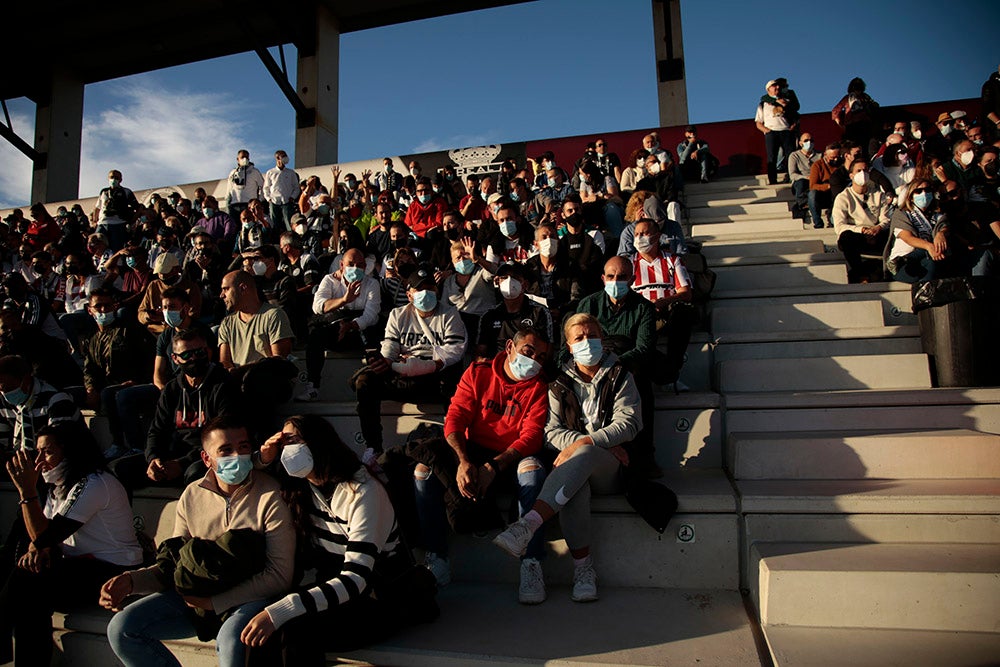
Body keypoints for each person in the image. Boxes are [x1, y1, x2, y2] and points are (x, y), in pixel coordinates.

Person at [101, 416, 295, 667]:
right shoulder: (192, 494)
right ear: (207, 459)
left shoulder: (271, 495)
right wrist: (130, 582)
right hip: (199, 596)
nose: (237, 455)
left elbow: (279, 575)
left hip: (251, 597)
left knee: (231, 639)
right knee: (122, 628)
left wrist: (215, 603)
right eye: (225, 450)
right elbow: (173, 564)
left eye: (244, 447)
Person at [241, 415, 434, 663]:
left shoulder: (364, 491)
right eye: (283, 445)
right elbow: (236, 480)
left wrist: (281, 610)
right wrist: (262, 458)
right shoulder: (302, 487)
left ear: (318, 443)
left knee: (292, 630)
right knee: (266, 632)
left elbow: (356, 579)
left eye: (294, 442)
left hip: (379, 598)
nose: (287, 451)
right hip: (337, 592)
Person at [492, 314, 641, 603]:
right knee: (576, 486)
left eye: (592, 335)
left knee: (583, 455)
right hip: (577, 470)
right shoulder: (558, 382)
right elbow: (550, 432)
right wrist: (587, 445)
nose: (587, 342)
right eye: (579, 338)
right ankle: (583, 569)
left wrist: (589, 443)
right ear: (569, 347)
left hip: (611, 470)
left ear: (602, 338)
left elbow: (630, 423)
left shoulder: (621, 374)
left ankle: (529, 524)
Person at [412, 328, 549, 602]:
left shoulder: (539, 387)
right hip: (472, 451)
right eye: (528, 351)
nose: (534, 361)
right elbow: (455, 417)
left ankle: (531, 563)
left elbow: (532, 436)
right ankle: (437, 558)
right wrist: (464, 461)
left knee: (532, 473)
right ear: (510, 346)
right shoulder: (478, 373)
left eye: (542, 357)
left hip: (511, 457)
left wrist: (494, 467)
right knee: (423, 471)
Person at [2, 422, 143, 666]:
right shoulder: (55, 486)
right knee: (23, 578)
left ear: (70, 451)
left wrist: (27, 492)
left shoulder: (95, 483)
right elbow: (38, 537)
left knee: (30, 585)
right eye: (37, 452)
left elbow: (47, 536)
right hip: (75, 564)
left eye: (47, 452)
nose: (39, 460)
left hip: (111, 570)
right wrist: (38, 548)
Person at [352, 266, 467, 454]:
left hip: (435, 379)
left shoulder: (450, 314)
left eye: (430, 288)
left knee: (455, 376)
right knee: (366, 381)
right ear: (409, 294)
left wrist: (426, 365)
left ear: (437, 290)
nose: (425, 293)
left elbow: (454, 351)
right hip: (403, 375)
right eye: (419, 289)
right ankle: (373, 449)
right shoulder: (398, 315)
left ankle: (454, 445)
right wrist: (387, 362)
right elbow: (390, 346)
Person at [111, 329, 243, 490]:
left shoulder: (224, 385)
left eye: (199, 352)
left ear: (208, 352)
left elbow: (224, 437)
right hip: (174, 455)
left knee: (195, 473)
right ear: (175, 359)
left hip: (209, 455)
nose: (194, 358)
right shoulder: (172, 389)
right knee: (118, 469)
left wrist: (182, 463)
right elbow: (157, 430)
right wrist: (154, 458)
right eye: (186, 355)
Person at [575, 257, 658, 477]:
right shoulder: (588, 304)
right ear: (603, 278)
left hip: (625, 364)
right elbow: (574, 339)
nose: (615, 281)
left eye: (622, 277)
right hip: (590, 363)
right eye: (610, 276)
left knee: (640, 383)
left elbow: (644, 348)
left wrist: (613, 365)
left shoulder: (644, 308)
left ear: (632, 278)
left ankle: (643, 455)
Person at [296, 248, 381, 402]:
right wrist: (343, 300)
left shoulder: (372, 284)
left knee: (374, 336)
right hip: (335, 330)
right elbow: (318, 306)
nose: (356, 268)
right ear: (342, 265)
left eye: (360, 265)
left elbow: (371, 315)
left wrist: (350, 325)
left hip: (359, 331)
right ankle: (313, 387)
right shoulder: (330, 280)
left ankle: (376, 387)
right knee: (316, 335)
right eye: (351, 264)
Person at [627, 219, 694, 391]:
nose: (639, 238)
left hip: (666, 312)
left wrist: (665, 301)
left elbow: (686, 292)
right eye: (636, 234)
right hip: (641, 314)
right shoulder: (629, 263)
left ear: (657, 236)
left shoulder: (672, 260)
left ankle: (672, 369)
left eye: (644, 233)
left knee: (684, 313)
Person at [0, 355, 80, 454]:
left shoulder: (56, 400)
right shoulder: (5, 403)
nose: (4, 394)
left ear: (26, 381)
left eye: (7, 388)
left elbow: (57, 449)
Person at [475, 262, 553, 360]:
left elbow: (546, 352)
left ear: (525, 284)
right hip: (496, 368)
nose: (509, 281)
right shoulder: (489, 316)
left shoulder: (539, 312)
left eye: (515, 277)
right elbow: (480, 353)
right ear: (497, 282)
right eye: (504, 277)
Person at [832, 157, 892, 283]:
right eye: (858, 171)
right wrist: (862, 229)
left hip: (876, 234)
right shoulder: (843, 197)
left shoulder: (878, 195)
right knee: (845, 237)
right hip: (858, 236)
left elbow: (886, 218)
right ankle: (860, 274)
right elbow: (839, 226)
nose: (862, 174)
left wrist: (878, 227)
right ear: (851, 175)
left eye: (865, 170)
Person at [884, 179, 955, 283]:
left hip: (930, 259)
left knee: (933, 262)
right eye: (919, 191)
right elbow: (908, 238)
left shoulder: (938, 215)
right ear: (911, 197)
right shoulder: (901, 214)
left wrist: (941, 234)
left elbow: (944, 226)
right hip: (905, 263)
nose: (924, 193)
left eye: (927, 190)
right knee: (928, 259)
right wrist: (929, 246)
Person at [138, 252, 203, 337]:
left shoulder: (190, 287)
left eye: (165, 272)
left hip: (179, 332)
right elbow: (141, 313)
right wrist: (149, 316)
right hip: (153, 331)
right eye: (159, 273)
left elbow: (193, 316)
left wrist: (166, 318)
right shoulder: (153, 285)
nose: (161, 276)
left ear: (176, 269)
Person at [755, 79, 797, 185]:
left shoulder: (786, 100)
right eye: (774, 87)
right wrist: (767, 131)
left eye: (778, 87)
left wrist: (792, 126)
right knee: (772, 157)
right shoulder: (763, 103)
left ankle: (791, 176)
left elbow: (795, 114)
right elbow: (758, 122)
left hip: (786, 131)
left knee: (790, 155)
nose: (777, 88)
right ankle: (772, 180)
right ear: (768, 89)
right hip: (772, 132)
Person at [91, 169, 139, 250]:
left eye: (116, 177)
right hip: (102, 223)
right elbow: (97, 207)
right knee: (96, 245)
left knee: (116, 248)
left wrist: (131, 221)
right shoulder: (104, 191)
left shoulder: (126, 192)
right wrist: (94, 221)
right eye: (111, 177)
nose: (113, 179)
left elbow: (137, 207)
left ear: (120, 179)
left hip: (118, 224)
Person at [831, 77, 879, 149]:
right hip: (852, 126)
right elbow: (835, 111)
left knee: (865, 146)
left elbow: (875, 106)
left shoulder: (865, 97)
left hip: (865, 125)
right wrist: (841, 124)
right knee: (852, 146)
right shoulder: (848, 98)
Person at [263, 150, 300, 232]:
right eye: (283, 156)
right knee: (275, 225)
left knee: (289, 224)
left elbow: (296, 187)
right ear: (277, 158)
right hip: (274, 202)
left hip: (287, 202)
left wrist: (292, 197)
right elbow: (266, 188)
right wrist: (268, 199)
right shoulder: (270, 172)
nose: (285, 158)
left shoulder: (291, 173)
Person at [808, 143, 843, 229]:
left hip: (837, 192)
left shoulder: (841, 164)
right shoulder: (817, 165)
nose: (835, 159)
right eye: (832, 157)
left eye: (837, 156)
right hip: (824, 193)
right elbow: (813, 185)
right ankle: (818, 222)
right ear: (825, 155)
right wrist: (827, 186)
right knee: (812, 194)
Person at [788, 132, 821, 219]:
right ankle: (802, 204)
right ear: (800, 143)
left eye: (811, 140)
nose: (809, 143)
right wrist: (806, 177)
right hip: (802, 181)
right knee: (801, 182)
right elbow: (792, 175)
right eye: (806, 140)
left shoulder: (819, 155)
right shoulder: (794, 156)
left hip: (816, 180)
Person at [226, 150, 264, 219]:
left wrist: (259, 200)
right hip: (234, 205)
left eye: (247, 157)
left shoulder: (254, 172)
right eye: (242, 157)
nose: (245, 159)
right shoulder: (232, 173)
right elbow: (229, 189)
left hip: (248, 204)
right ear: (238, 159)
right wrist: (228, 203)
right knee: (235, 227)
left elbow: (263, 185)